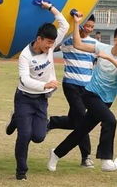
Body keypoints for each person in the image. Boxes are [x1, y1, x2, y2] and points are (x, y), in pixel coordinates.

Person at [47, 19, 117, 173]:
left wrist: (109, 58)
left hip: (107, 100)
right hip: (91, 95)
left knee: (81, 131)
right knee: (110, 120)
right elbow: (78, 44)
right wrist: (75, 23)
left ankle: (56, 153)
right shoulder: (101, 47)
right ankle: (106, 159)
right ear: (116, 40)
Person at [4, 1, 69, 181]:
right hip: (24, 98)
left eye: (52, 43)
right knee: (24, 136)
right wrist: (44, 85)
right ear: (39, 39)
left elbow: (65, 24)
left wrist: (50, 8)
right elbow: (24, 79)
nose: (50, 47)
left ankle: (16, 118)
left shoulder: (50, 45)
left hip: (41, 100)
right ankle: (21, 172)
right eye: (48, 43)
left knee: (39, 137)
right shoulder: (25, 55)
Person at [47, 14, 96, 169]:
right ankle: (86, 156)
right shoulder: (68, 43)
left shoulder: (94, 44)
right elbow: (50, 48)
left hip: (87, 87)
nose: (88, 29)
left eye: (91, 27)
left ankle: (51, 122)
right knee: (83, 119)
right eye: (86, 25)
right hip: (71, 85)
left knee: (75, 120)